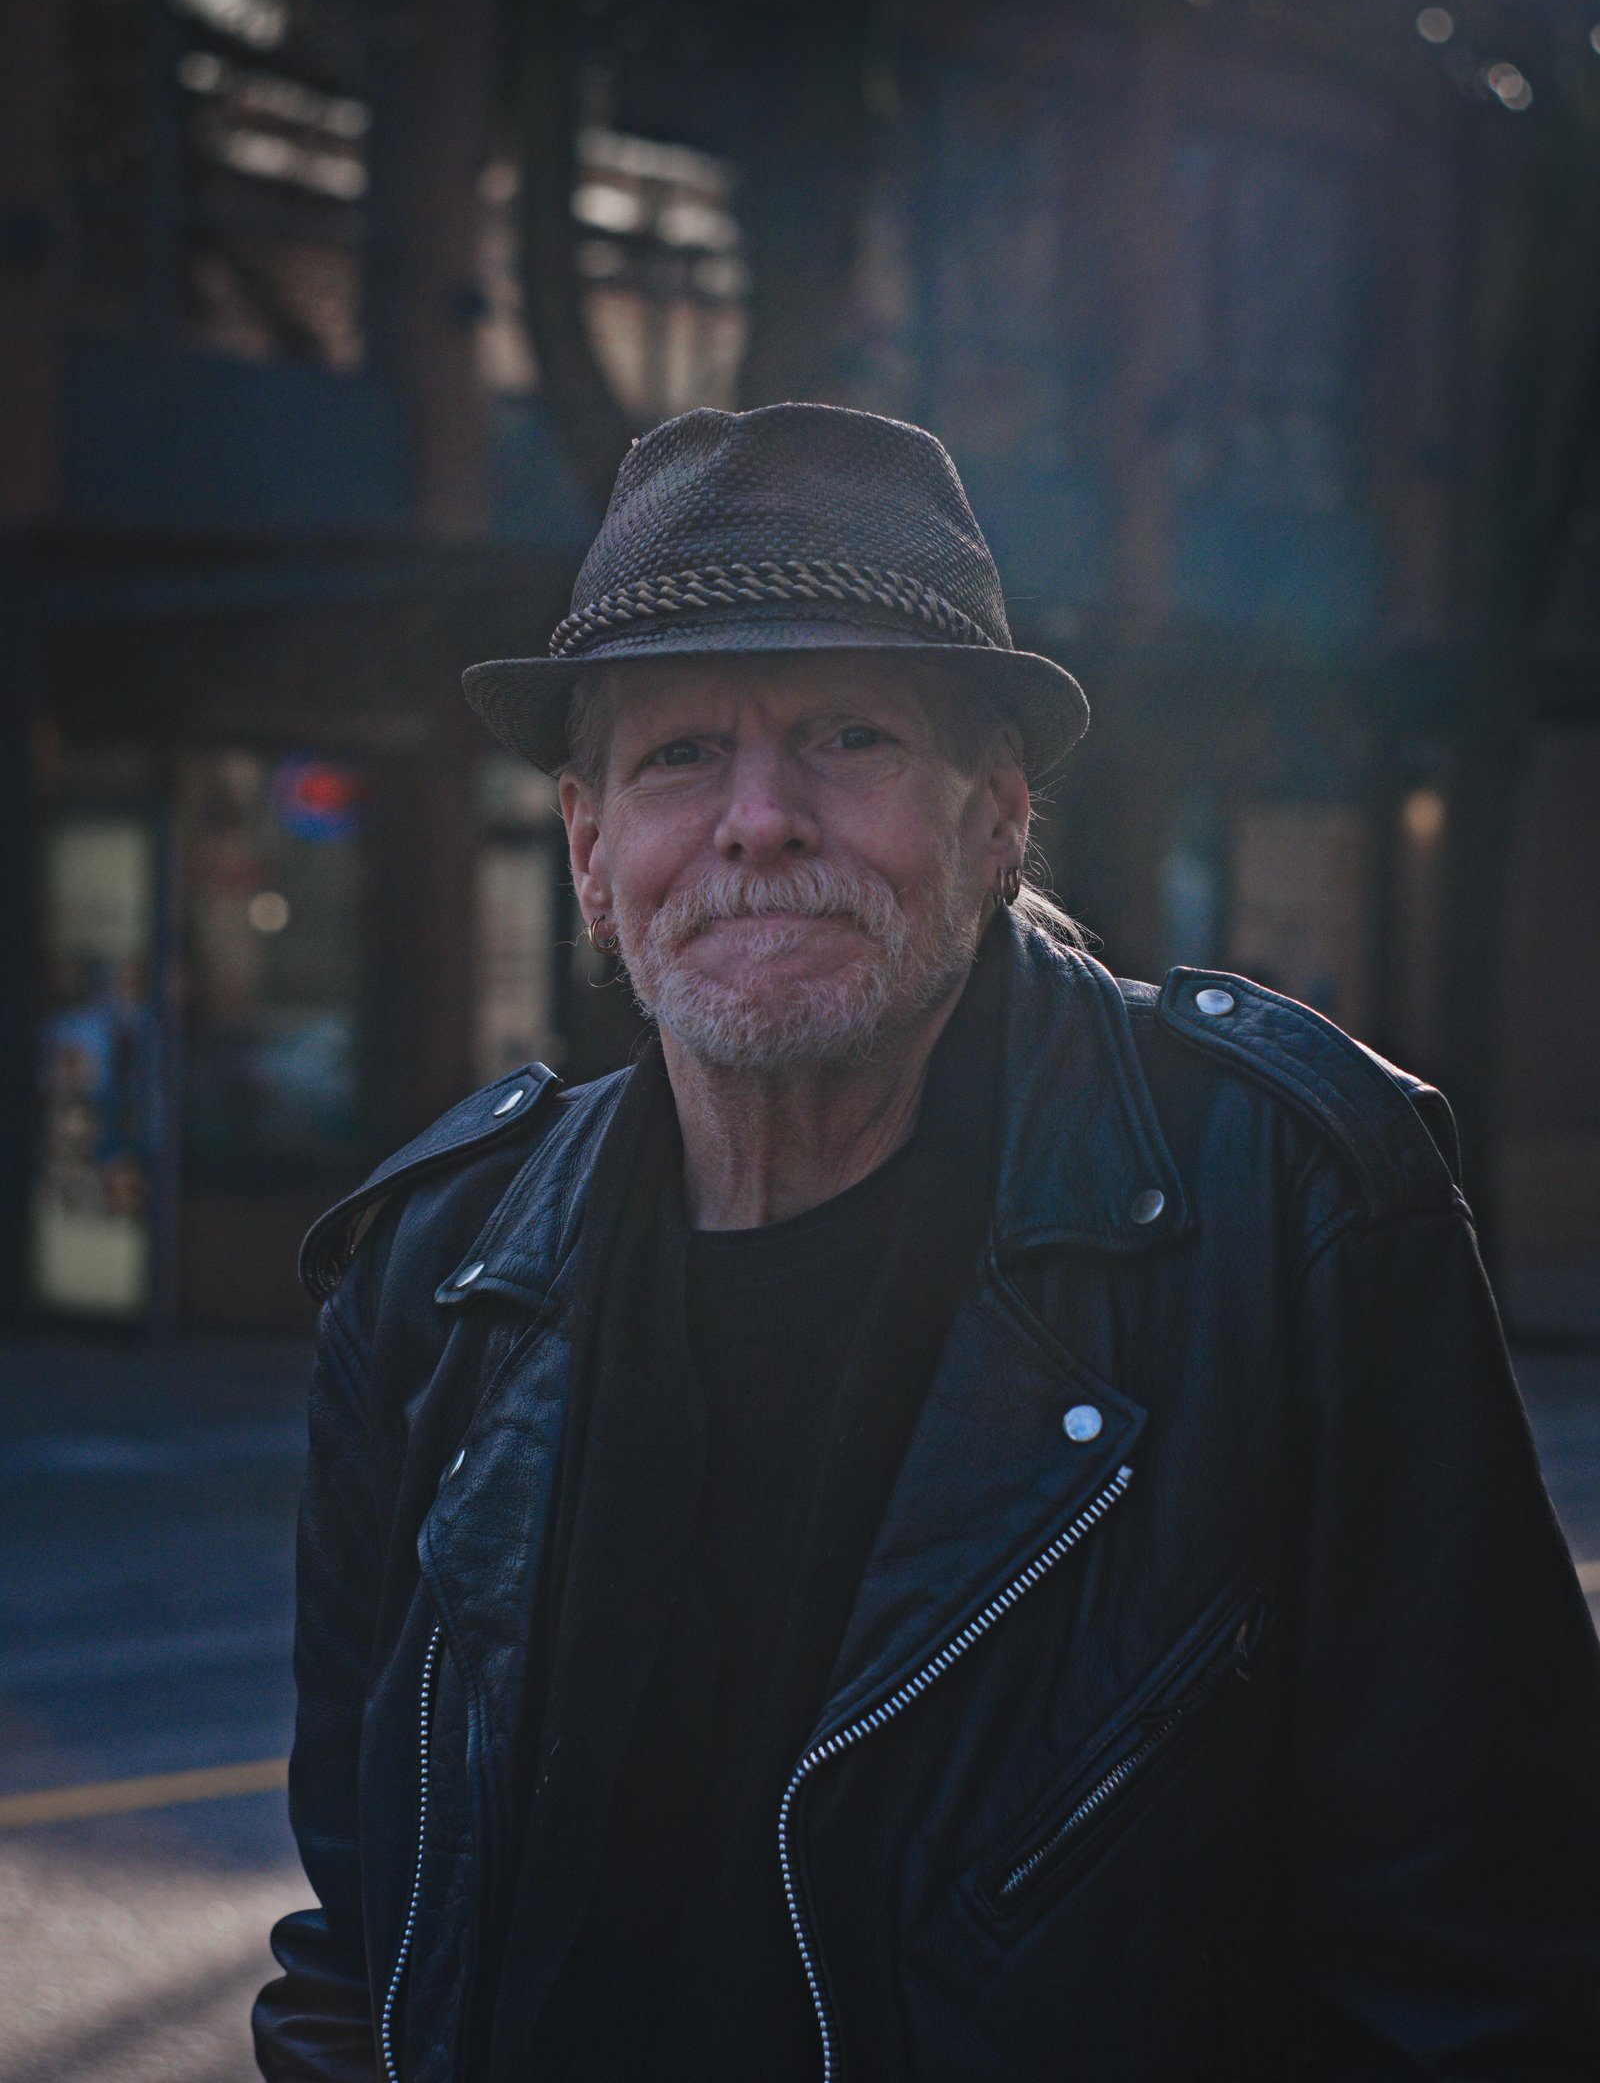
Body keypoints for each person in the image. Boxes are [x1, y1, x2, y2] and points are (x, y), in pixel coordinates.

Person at [255, 403, 1600, 2083]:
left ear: (997, 820)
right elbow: (363, 1948)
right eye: (678, 755)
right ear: (593, 854)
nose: (760, 820)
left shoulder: (1292, 1204)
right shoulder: (432, 1269)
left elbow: (1483, 1972)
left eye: (849, 736)